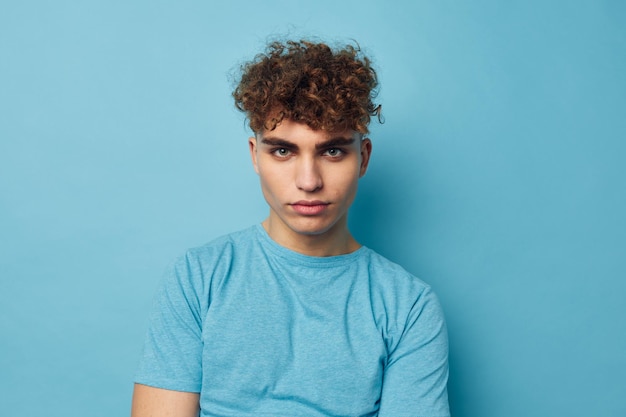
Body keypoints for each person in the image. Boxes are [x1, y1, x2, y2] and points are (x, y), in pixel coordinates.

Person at [131, 39, 450, 417]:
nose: (309, 181)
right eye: (283, 151)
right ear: (255, 156)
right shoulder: (198, 278)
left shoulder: (408, 306)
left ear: (362, 158)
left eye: (332, 151)